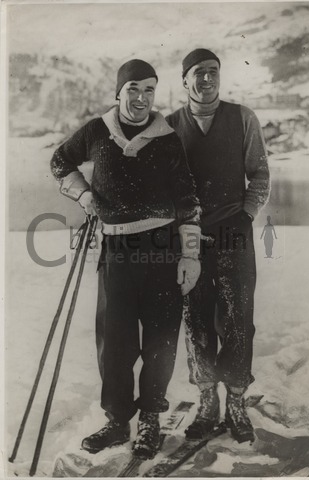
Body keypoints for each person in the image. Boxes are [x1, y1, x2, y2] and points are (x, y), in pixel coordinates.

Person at [50, 59, 202, 459]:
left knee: (159, 340)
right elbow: (60, 161)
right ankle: (117, 421)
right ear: (119, 92)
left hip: (163, 249)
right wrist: (85, 196)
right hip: (116, 251)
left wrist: (190, 255)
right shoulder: (98, 131)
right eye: (133, 88)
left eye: (149, 90)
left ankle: (150, 418)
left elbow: (187, 200)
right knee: (114, 343)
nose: (141, 98)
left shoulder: (166, 137)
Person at [166, 48, 270, 443]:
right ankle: (207, 399)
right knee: (196, 321)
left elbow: (260, 173)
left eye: (213, 72)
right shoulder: (170, 126)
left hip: (233, 233)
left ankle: (237, 401)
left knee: (238, 322)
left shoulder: (242, 118)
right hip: (189, 239)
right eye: (198, 73)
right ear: (185, 80)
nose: (207, 79)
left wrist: (245, 217)